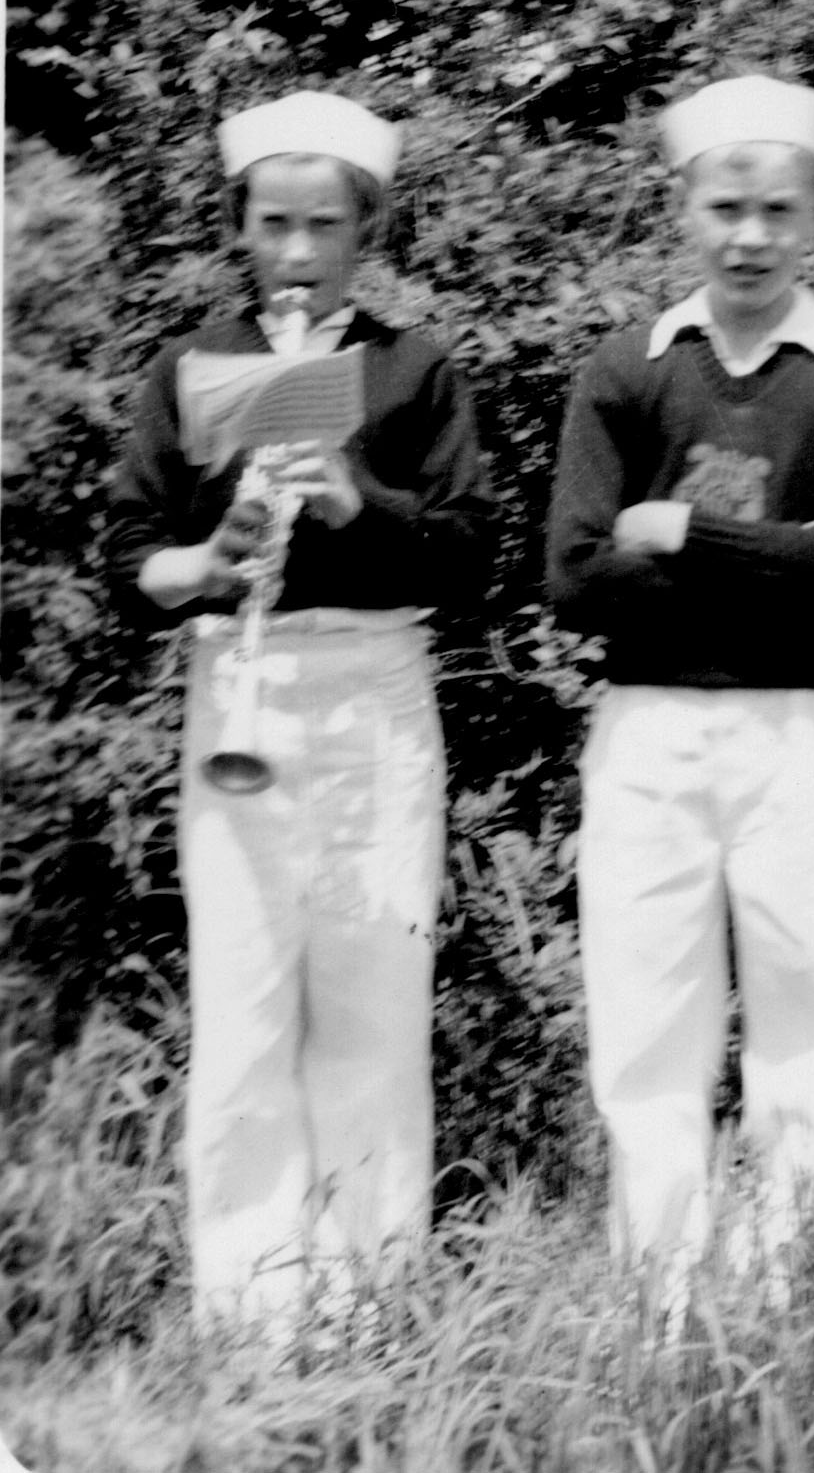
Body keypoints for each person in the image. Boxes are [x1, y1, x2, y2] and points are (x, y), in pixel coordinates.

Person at [108, 88, 492, 1330]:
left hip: (373, 692)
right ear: (239, 226)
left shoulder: (414, 366)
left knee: (371, 1001)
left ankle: (370, 1298)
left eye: (324, 226)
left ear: (365, 230)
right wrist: (205, 560)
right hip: (241, 681)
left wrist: (352, 502)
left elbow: (468, 552)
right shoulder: (189, 363)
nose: (297, 252)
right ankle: (249, 1312)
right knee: (244, 1002)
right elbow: (129, 555)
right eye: (273, 224)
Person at [546, 73, 814, 1297]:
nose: (749, 237)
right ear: (683, 209)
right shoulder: (627, 369)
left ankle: (773, 1301)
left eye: (775, 211)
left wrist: (679, 533)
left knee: (802, 1016)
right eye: (724, 208)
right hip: (649, 733)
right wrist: (777, 560)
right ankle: (658, 1300)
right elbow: (573, 576)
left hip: (809, 738)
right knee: (647, 1018)